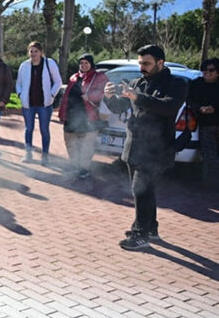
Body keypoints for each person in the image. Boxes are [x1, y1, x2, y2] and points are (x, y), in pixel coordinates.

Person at [103, 44, 187, 251]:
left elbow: (168, 107)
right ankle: (151, 228)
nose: (142, 68)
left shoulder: (176, 83)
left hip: (157, 149)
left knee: (140, 190)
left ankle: (140, 234)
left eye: (147, 64)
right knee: (145, 191)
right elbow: (120, 108)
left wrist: (137, 97)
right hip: (134, 147)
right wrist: (109, 97)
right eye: (140, 63)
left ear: (160, 63)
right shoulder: (136, 83)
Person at [58, 54, 109, 179]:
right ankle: (75, 165)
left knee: (87, 145)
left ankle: (84, 168)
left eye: (86, 63)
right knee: (70, 142)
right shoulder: (74, 78)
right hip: (71, 116)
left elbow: (105, 92)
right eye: (81, 63)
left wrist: (90, 96)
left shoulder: (99, 77)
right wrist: (62, 113)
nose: (83, 65)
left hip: (89, 116)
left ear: (91, 64)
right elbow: (66, 97)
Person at [15, 41, 62, 165]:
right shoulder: (24, 66)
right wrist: (20, 94)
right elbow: (18, 83)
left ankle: (45, 156)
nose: (33, 54)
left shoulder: (49, 63)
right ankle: (28, 154)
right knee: (28, 129)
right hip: (28, 104)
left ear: (41, 52)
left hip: (44, 104)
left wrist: (52, 94)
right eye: (31, 51)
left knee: (44, 130)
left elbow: (58, 81)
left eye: (36, 51)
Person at [187, 57, 219, 183]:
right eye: (204, 69)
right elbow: (188, 100)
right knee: (210, 155)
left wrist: (214, 108)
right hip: (206, 125)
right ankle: (212, 181)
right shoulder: (195, 84)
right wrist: (199, 108)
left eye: (211, 70)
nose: (207, 72)